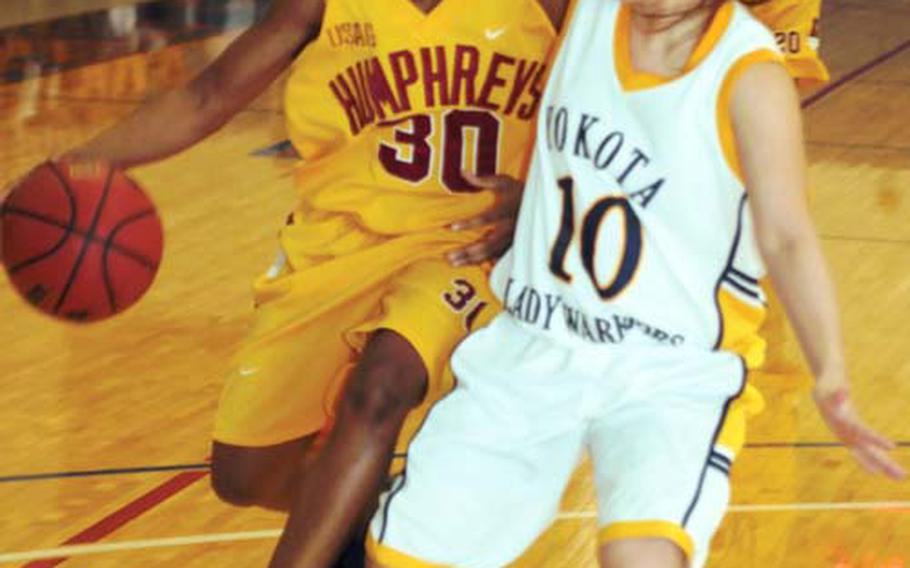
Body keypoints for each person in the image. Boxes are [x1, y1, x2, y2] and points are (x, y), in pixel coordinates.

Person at [364, 1, 906, 567]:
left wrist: (830, 370)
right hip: (537, 342)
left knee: (642, 555)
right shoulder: (593, 10)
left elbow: (787, 235)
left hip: (669, 368)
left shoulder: (750, 78)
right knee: (404, 556)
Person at [48, 1, 568, 566]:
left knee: (383, 382)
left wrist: (551, 196)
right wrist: (69, 166)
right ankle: (395, 520)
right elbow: (208, 96)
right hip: (341, 241)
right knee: (246, 474)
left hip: (467, 241)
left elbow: (609, 107)